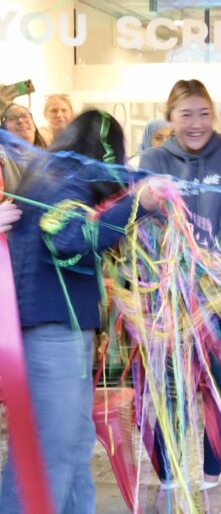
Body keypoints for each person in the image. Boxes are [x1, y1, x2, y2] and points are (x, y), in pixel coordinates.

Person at [0, 110, 159, 514]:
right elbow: (70, 237)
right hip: (53, 334)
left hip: (54, 331)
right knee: (49, 450)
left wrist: (145, 190)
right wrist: (137, 204)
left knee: (69, 443)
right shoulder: (67, 181)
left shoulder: (55, 172)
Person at [139, 79, 221, 511]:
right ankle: (168, 480)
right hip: (168, 299)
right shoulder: (152, 159)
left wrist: (214, 282)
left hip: (220, 295)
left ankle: (208, 478)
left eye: (204, 112)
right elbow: (146, 232)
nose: (197, 122)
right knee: (171, 389)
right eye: (186, 113)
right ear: (170, 118)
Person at [1, 104, 48, 194]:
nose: (20, 121)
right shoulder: (3, 154)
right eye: (12, 118)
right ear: (4, 129)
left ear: (34, 126)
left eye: (24, 116)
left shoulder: (50, 159)